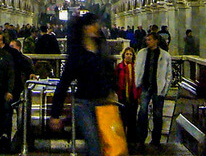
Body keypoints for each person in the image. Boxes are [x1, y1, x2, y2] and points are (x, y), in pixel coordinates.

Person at [49, 13, 115, 156]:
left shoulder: (102, 50)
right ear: (84, 28)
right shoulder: (77, 54)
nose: (96, 27)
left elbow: (110, 73)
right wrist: (55, 113)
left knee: (105, 144)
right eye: (92, 24)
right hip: (83, 104)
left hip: (103, 103)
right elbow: (64, 83)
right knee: (93, 144)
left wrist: (113, 92)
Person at [135, 31, 173, 146]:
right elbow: (138, 68)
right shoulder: (142, 53)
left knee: (158, 114)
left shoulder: (165, 55)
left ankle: (156, 139)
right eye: (147, 40)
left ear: (156, 40)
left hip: (158, 87)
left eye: (150, 39)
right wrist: (138, 83)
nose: (147, 42)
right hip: (146, 86)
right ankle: (141, 137)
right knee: (142, 112)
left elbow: (169, 74)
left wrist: (165, 89)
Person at [116, 47, 141, 144]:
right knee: (122, 118)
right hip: (122, 95)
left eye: (130, 54)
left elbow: (138, 82)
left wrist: (138, 95)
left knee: (132, 118)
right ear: (124, 55)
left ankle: (131, 140)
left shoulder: (136, 67)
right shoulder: (119, 67)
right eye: (127, 54)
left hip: (133, 95)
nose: (128, 56)